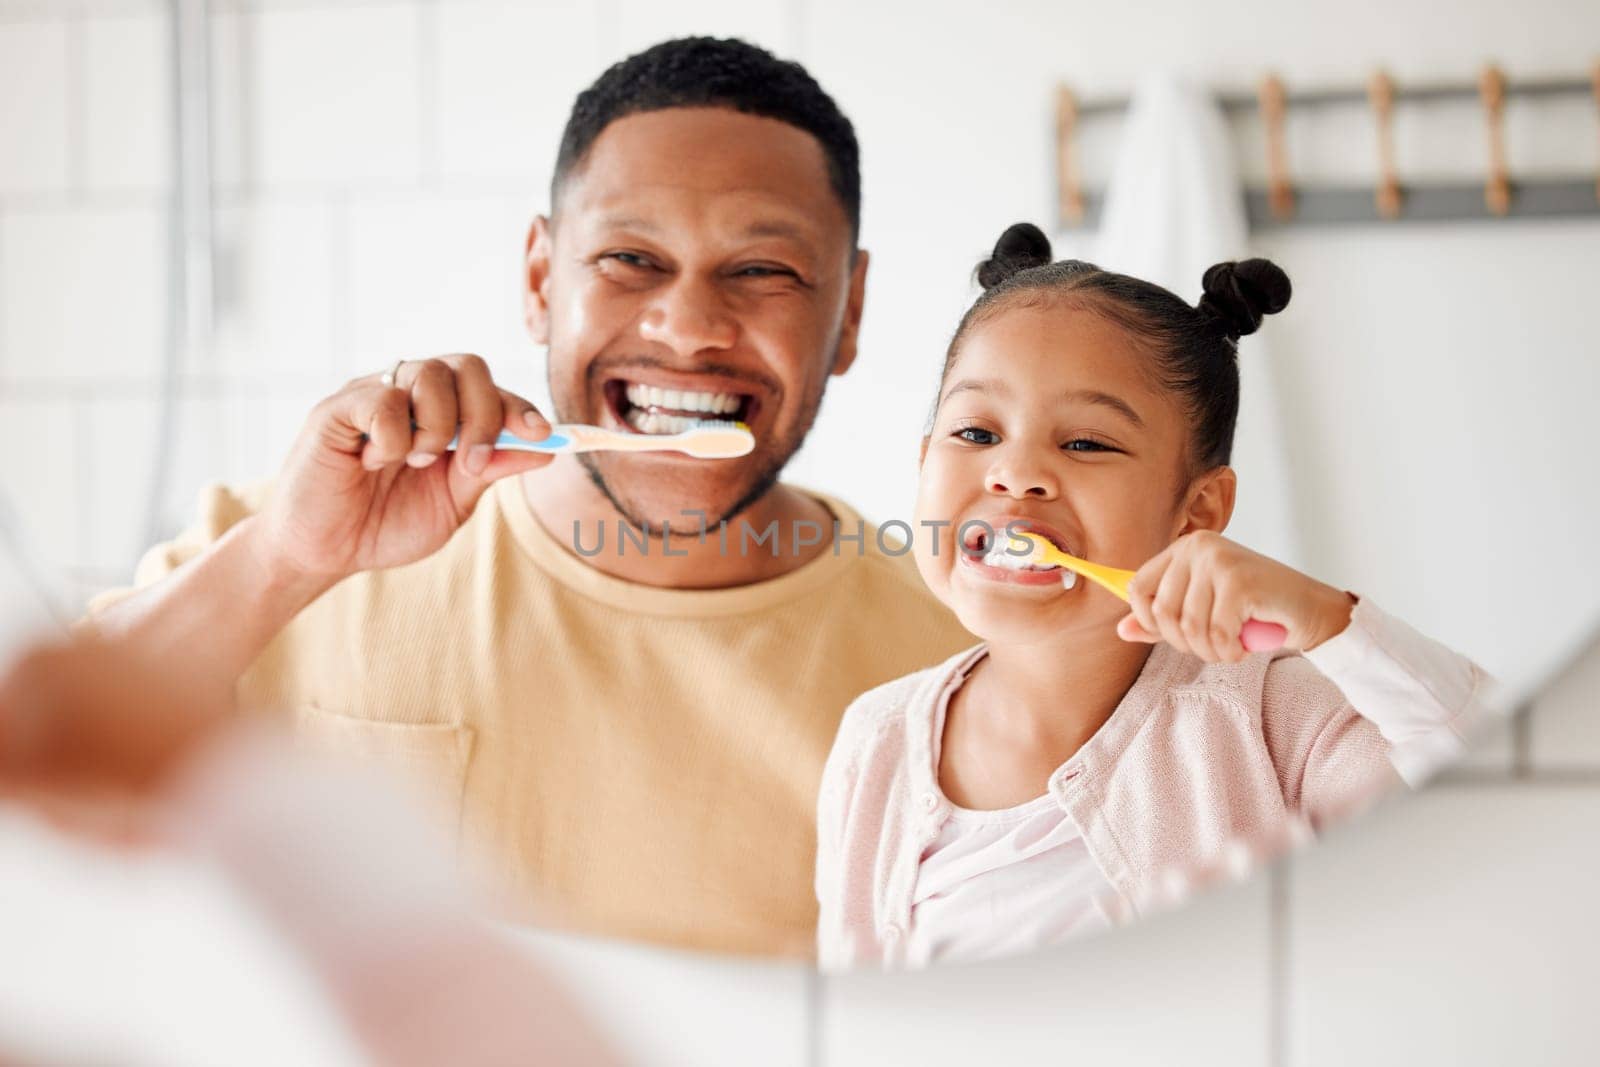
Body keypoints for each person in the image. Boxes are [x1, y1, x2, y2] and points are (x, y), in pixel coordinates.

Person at [85, 37, 973, 959]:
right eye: (631, 258)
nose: (690, 328)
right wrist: (283, 562)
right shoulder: (289, 551)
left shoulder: (954, 655)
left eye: (762, 271)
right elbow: (39, 765)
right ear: (542, 279)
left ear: (851, 312)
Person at [814, 223, 1498, 970]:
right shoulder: (872, 742)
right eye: (976, 431)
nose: (1015, 472)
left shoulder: (1276, 721)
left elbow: (1504, 804)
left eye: (1085, 443)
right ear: (923, 462)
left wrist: (1331, 621)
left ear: (1199, 511)